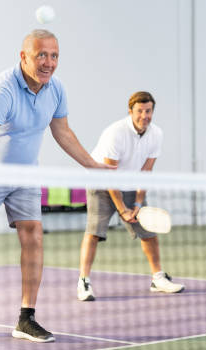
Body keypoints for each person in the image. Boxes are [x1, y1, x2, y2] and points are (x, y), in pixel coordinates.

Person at [0, 29, 112, 343]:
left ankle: (26, 318)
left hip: (25, 176)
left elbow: (63, 132)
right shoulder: (3, 89)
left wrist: (94, 167)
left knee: (34, 236)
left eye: (54, 56)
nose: (48, 62)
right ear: (23, 56)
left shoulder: (56, 89)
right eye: (41, 54)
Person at [77, 91, 185, 302]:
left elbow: (146, 171)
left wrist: (136, 203)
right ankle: (83, 281)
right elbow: (110, 173)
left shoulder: (156, 134)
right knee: (94, 232)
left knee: (148, 232)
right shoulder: (115, 133)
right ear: (130, 111)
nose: (144, 116)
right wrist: (123, 209)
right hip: (101, 183)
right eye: (140, 111)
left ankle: (157, 278)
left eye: (148, 111)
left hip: (128, 187)